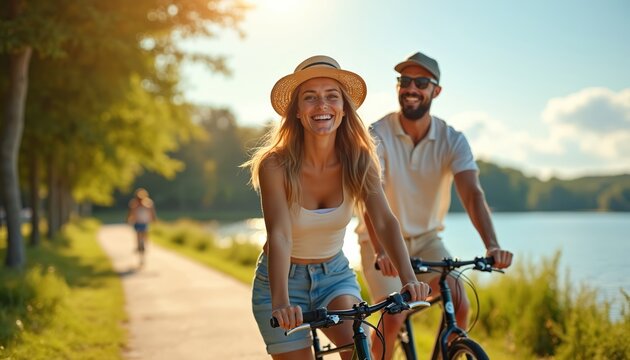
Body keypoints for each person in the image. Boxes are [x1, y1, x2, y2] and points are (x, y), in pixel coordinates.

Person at [244, 55, 431, 360]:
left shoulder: (359, 159)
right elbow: (279, 235)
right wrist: (281, 301)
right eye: (310, 98)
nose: (322, 106)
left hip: (333, 275)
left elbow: (384, 220)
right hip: (279, 280)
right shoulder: (274, 164)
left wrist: (409, 278)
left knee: (361, 352)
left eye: (332, 96)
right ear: (297, 112)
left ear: (344, 109)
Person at [358, 51, 514, 360]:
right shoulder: (378, 134)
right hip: (381, 238)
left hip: (428, 239)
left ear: (436, 91)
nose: (411, 88)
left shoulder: (452, 139)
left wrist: (492, 245)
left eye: (421, 82)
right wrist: (380, 248)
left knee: (460, 300)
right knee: (394, 314)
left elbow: (472, 194)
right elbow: (369, 196)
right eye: (404, 81)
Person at [126, 188, 157, 266]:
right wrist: (129, 219)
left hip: (145, 222)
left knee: (145, 234)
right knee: (138, 234)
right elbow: (130, 212)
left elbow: (152, 212)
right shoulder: (134, 203)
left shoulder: (148, 203)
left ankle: (144, 245)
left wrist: (154, 219)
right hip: (138, 222)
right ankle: (139, 246)